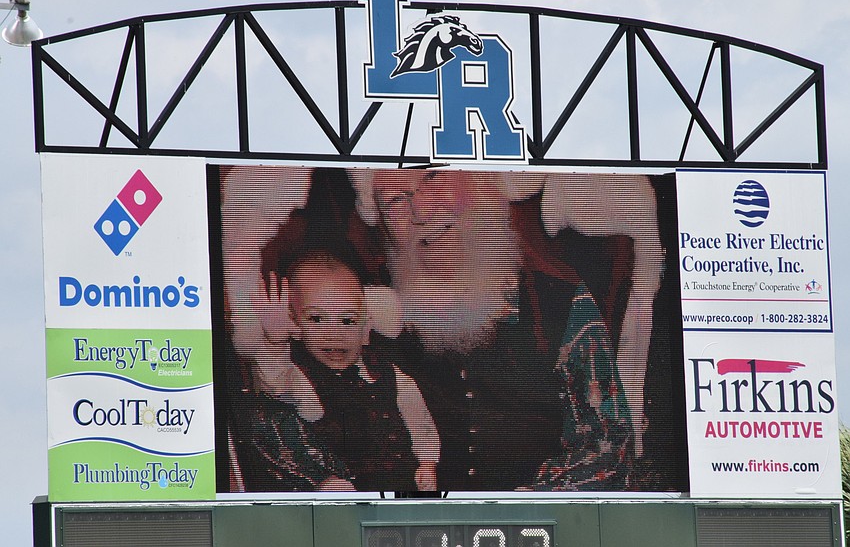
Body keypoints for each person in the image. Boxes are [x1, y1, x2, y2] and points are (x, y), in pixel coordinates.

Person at [223, 166, 670, 491]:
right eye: (395, 200)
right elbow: (276, 419)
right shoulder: (351, 310)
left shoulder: (558, 299)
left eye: (433, 177)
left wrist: (524, 510)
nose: (421, 209)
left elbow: (607, 445)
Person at [231, 250, 439, 492]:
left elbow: (418, 418)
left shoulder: (390, 374)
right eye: (317, 318)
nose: (334, 334)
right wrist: (276, 342)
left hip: (399, 486)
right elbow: (278, 387)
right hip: (338, 493)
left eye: (348, 320)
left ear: (366, 328)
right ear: (295, 326)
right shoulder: (301, 377)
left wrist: (427, 462)